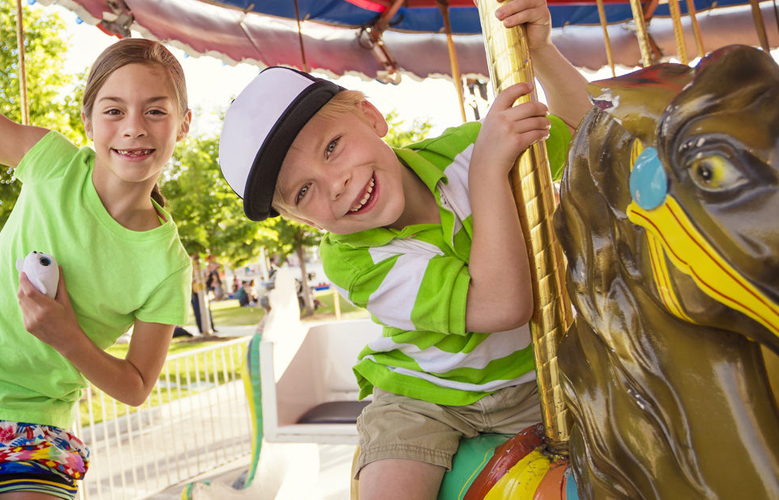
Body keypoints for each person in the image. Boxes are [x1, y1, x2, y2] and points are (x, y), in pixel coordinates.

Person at [215, 0, 590, 498]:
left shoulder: (463, 151)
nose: (337, 184)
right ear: (301, 221)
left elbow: (584, 129)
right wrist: (488, 175)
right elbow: (503, 305)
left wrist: (541, 52)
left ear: (371, 117)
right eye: (304, 192)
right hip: (427, 399)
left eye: (332, 147)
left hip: (536, 375)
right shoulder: (351, 258)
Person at [0, 26, 193, 500]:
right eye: (114, 111)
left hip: (32, 426)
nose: (134, 127)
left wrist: (68, 337)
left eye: (155, 111)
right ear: (88, 121)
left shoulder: (168, 265)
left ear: (183, 124)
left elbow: (137, 385)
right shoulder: (53, 165)